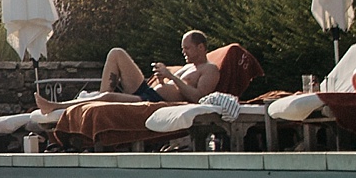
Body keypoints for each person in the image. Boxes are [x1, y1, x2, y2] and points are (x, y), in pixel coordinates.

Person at [35, 30, 223, 112]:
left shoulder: (210, 69)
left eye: (187, 49)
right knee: (116, 53)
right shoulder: (189, 66)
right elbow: (175, 86)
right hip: (149, 91)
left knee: (109, 97)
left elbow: (198, 98)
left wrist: (171, 75)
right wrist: (163, 79)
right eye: (183, 49)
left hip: (153, 101)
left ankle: (57, 106)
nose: (184, 53)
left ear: (201, 48)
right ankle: (98, 98)